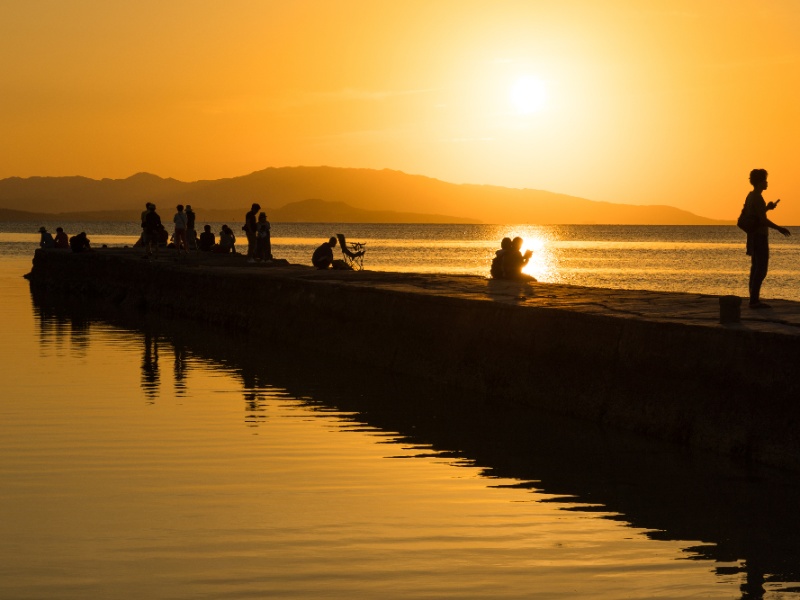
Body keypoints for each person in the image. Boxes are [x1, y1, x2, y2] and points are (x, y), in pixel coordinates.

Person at [742, 169, 791, 309]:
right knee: (761, 269)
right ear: (759, 182)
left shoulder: (751, 196)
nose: (767, 182)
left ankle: (753, 297)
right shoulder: (757, 197)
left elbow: (757, 215)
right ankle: (754, 300)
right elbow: (762, 220)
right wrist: (779, 228)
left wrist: (767, 208)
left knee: (755, 267)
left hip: (752, 235)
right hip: (759, 236)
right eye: (765, 180)